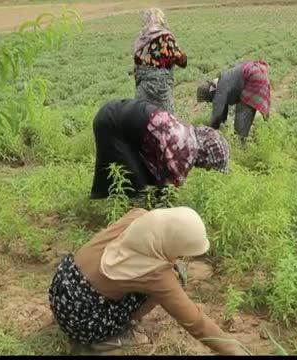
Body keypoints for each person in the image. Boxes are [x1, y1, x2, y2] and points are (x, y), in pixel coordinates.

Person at [48, 206, 248, 355]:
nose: (182, 257)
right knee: (172, 279)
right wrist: (236, 349)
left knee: (166, 274)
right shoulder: (156, 275)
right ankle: (108, 339)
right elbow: (196, 323)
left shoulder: (138, 215)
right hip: (82, 319)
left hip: (63, 286)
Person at [90, 99, 229, 200]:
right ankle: (121, 222)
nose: (208, 169)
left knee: (143, 178)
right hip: (111, 123)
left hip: (118, 116)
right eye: (211, 165)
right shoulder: (182, 152)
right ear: (205, 155)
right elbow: (168, 190)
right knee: (135, 186)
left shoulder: (187, 136)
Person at [196, 60, 271, 142]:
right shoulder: (223, 82)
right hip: (258, 73)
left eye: (207, 100)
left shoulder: (219, 90)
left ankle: (240, 145)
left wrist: (210, 132)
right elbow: (223, 112)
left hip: (253, 76)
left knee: (242, 115)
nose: (209, 102)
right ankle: (262, 132)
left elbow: (217, 114)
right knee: (248, 109)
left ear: (208, 94)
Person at [133, 8, 187, 113]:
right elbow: (182, 62)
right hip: (162, 89)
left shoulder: (141, 39)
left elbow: (136, 65)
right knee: (166, 123)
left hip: (143, 88)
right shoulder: (166, 37)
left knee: (142, 121)